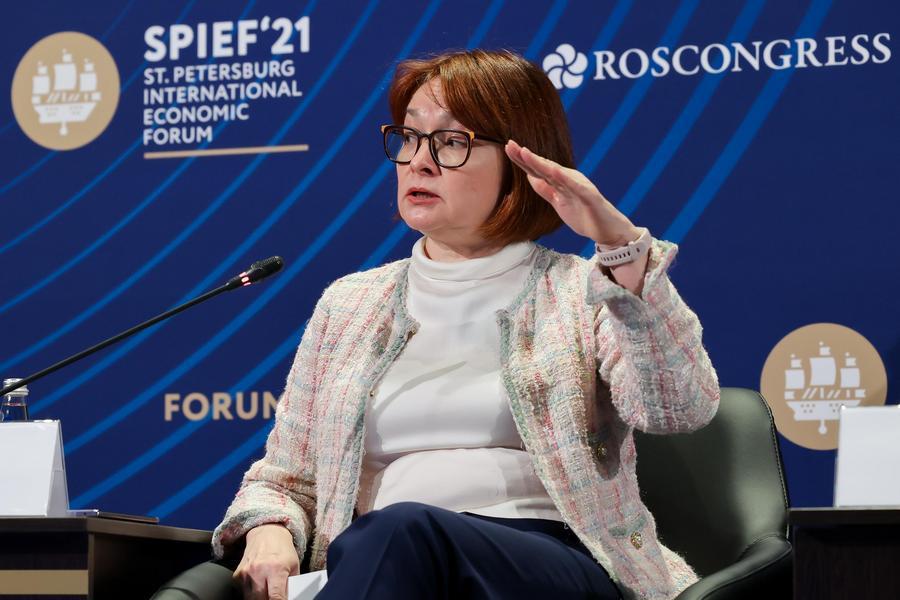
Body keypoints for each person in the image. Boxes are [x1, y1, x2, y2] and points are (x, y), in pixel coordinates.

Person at [212, 49, 719, 600]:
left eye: (451, 142)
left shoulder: (581, 291)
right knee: (389, 540)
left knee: (401, 531)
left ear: (524, 163)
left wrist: (622, 249)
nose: (419, 162)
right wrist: (269, 527)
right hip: (381, 563)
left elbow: (678, 407)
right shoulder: (349, 305)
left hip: (556, 562)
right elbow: (284, 478)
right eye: (409, 137)